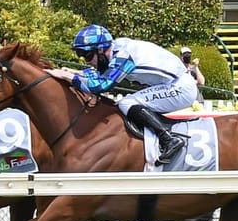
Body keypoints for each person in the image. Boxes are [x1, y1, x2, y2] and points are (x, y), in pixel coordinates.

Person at [53, 24, 195, 165]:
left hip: (180, 87)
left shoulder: (124, 55)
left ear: (101, 49)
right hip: (173, 84)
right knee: (127, 103)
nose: (87, 61)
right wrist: (74, 73)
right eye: (82, 56)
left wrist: (69, 77)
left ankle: (169, 139)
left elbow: (102, 85)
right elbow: (100, 72)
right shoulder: (116, 50)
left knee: (126, 103)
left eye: (88, 56)